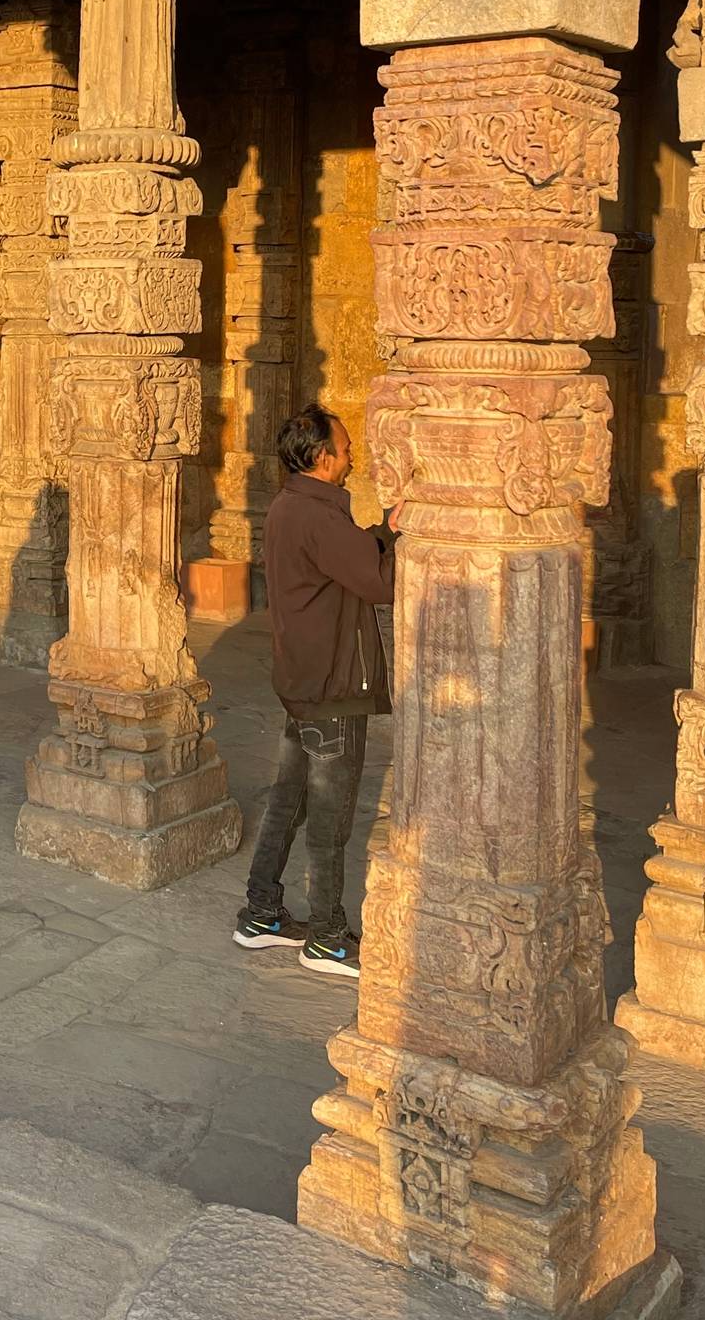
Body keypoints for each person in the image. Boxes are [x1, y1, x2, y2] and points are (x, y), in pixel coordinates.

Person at [232, 403, 396, 980]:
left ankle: (260, 913)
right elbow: (378, 582)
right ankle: (326, 938)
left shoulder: (292, 504)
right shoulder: (320, 514)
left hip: (304, 681)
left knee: (290, 800)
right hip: (332, 687)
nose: (352, 459)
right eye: (346, 450)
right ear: (323, 458)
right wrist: (406, 540)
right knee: (330, 817)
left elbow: (348, 558)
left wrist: (386, 530)